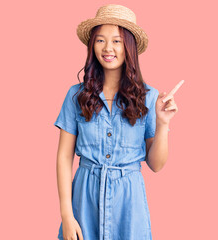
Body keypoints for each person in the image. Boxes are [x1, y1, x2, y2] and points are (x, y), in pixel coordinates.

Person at [54, 4, 182, 240]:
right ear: (92, 45)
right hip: (85, 199)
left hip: (129, 205)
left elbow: (156, 165)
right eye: (100, 40)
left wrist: (163, 124)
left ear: (129, 47)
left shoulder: (149, 97)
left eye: (117, 41)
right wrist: (66, 215)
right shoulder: (76, 95)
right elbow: (64, 157)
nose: (108, 48)